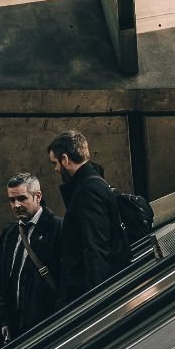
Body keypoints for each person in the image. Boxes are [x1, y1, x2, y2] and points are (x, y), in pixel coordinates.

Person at [47, 130, 123, 306]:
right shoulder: (95, 183)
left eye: (55, 163)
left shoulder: (87, 192)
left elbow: (95, 247)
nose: (56, 169)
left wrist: (95, 302)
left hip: (86, 295)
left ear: (65, 159)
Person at [0, 173, 62, 340]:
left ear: (37, 196)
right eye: (12, 200)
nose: (16, 205)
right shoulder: (9, 234)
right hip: (16, 325)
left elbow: (66, 277)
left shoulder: (57, 227)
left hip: (48, 322)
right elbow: (1, 279)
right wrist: (3, 320)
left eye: (22, 198)